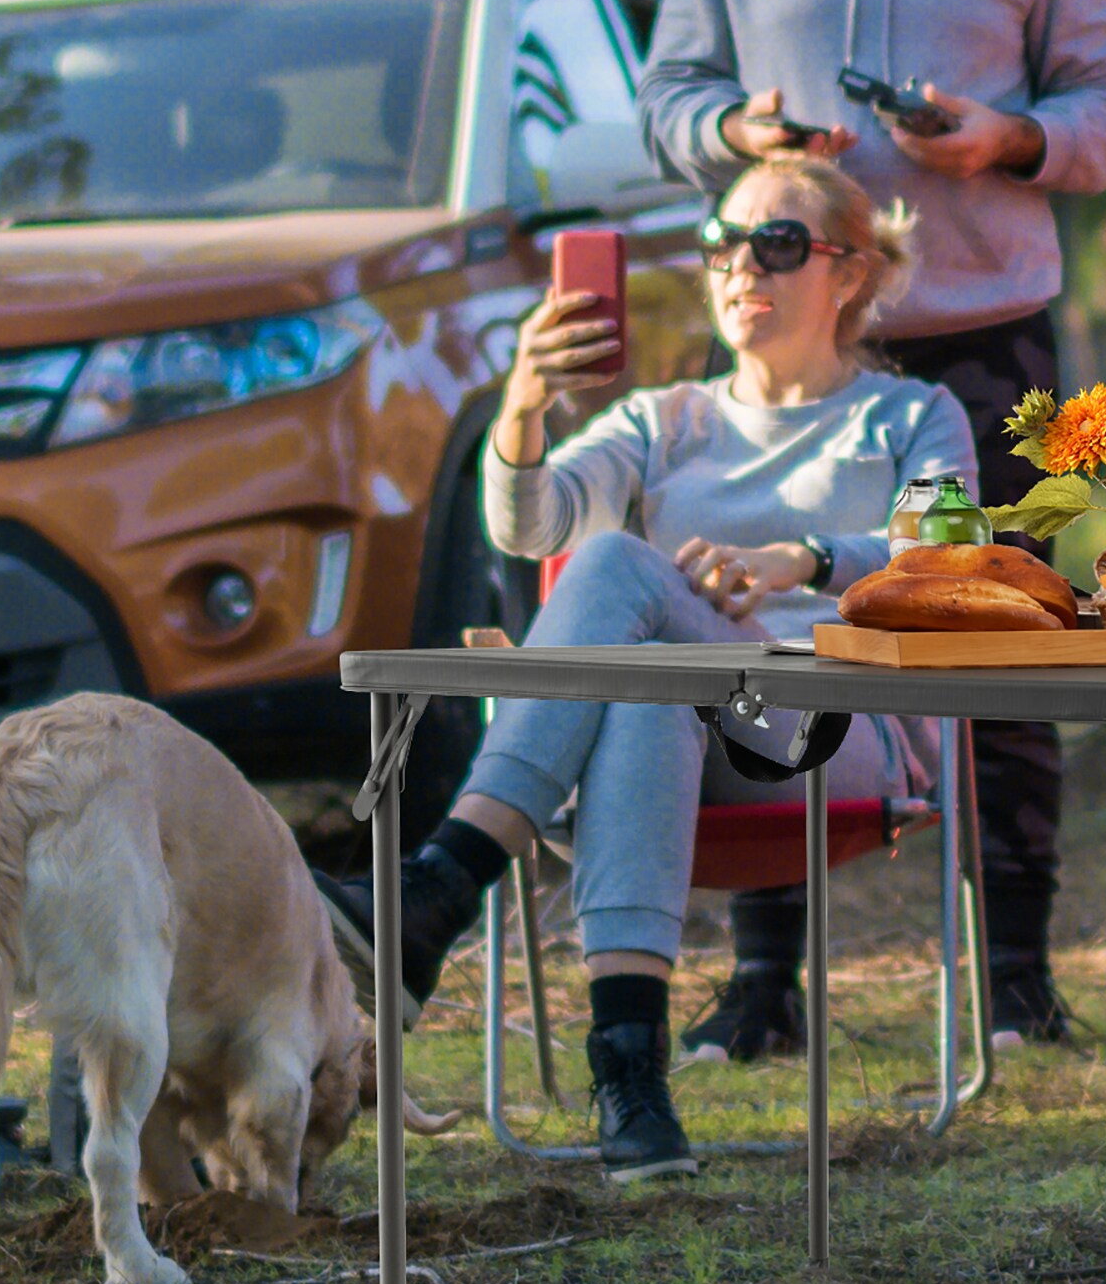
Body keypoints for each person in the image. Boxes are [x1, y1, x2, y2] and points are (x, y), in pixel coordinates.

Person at [636, 0, 1106, 1061]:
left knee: (1011, 646)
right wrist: (738, 136)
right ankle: (762, 988)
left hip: (985, 346)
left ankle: (1018, 978)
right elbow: (669, 99)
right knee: (768, 638)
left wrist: (1009, 137)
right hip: (792, 346)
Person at [314, 160, 975, 1181]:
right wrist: (524, 408)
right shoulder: (660, 421)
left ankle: (441, 882)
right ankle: (631, 1080)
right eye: (720, 241)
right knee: (641, 690)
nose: (739, 263)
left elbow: (946, 565)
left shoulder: (909, 415)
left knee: (620, 566)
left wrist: (801, 559)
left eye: (777, 243)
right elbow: (526, 521)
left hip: (836, 728)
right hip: (688, 734)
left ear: (848, 273)